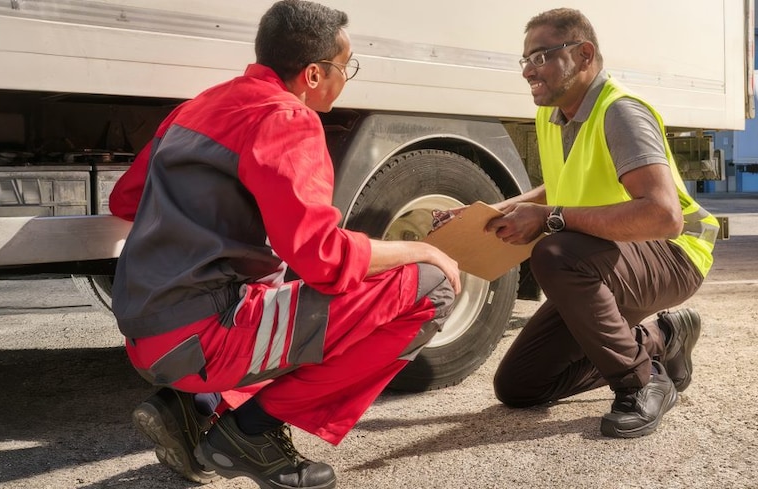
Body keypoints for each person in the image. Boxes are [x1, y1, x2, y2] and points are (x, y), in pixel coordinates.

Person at [107, 1, 460, 487]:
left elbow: (124, 199)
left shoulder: (198, 106)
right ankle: (249, 433)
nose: (346, 78)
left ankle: (190, 407)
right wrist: (421, 249)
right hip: (205, 338)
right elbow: (324, 259)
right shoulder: (287, 118)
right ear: (314, 74)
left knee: (280, 283)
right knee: (432, 286)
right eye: (346, 67)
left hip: (145, 336)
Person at [487, 8, 719, 438]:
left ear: (584, 54)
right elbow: (558, 188)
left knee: (553, 252)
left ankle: (641, 382)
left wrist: (549, 220)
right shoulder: (553, 114)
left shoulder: (620, 113)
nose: (528, 71)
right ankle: (662, 338)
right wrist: (489, 213)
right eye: (525, 60)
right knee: (520, 386)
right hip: (608, 258)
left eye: (540, 57)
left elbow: (665, 215)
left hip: (675, 254)